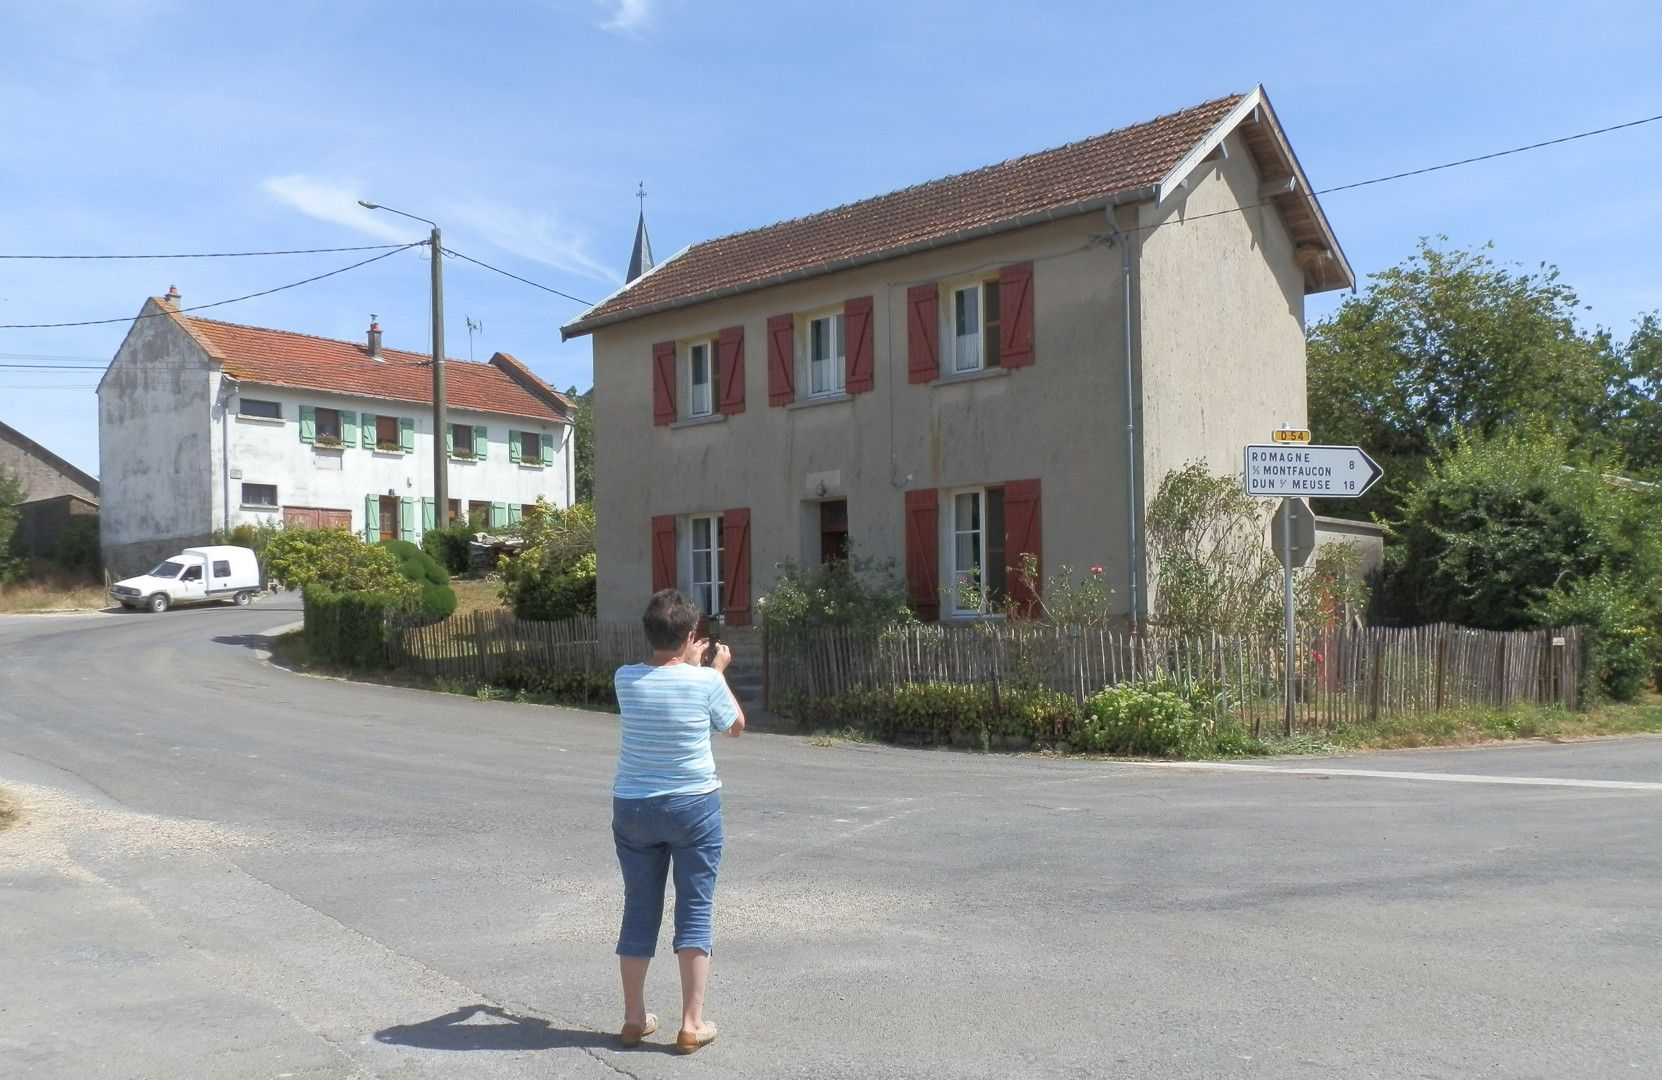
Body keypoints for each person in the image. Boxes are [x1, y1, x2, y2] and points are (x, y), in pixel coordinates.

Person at [611, 589, 746, 1054]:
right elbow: (735, 726)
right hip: (693, 805)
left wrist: (690, 663)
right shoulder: (705, 681)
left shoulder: (625, 678)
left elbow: (664, 683)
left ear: (646, 633)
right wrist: (715, 670)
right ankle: (691, 1023)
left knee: (639, 906)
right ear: (691, 635)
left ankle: (634, 1018)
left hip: (633, 806)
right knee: (694, 907)